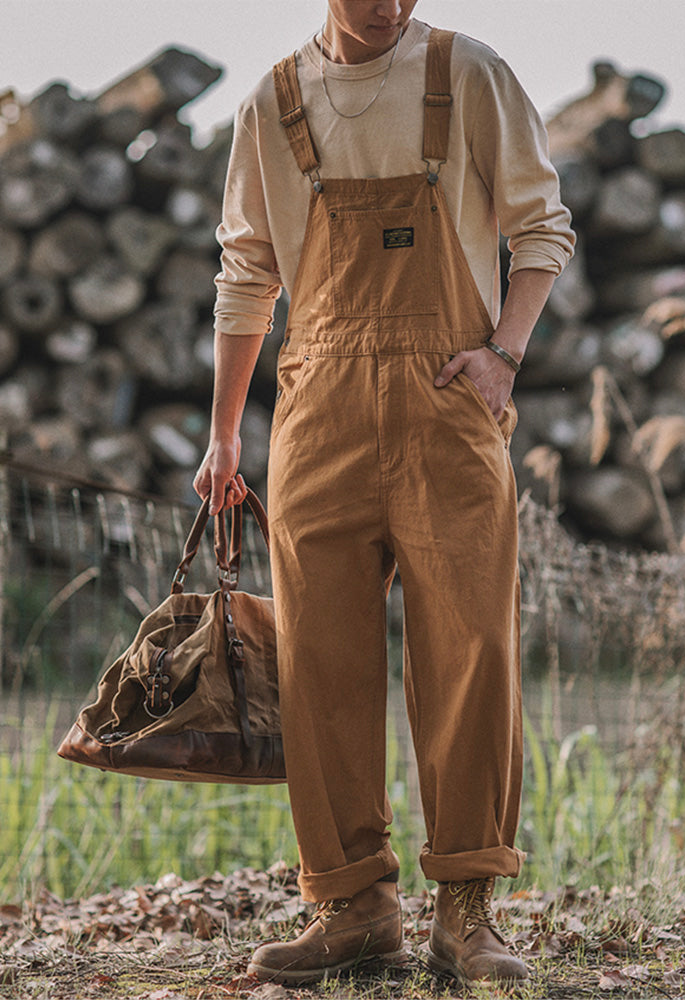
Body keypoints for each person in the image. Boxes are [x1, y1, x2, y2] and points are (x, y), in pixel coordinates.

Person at [194, 0, 575, 985]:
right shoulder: (272, 104)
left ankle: (466, 910)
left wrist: (504, 353)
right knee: (321, 658)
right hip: (317, 412)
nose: (388, 5)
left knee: (473, 647)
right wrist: (226, 432)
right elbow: (247, 275)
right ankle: (354, 906)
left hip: (449, 406)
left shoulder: (471, 75)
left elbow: (542, 228)